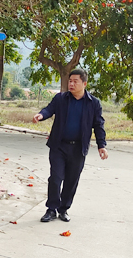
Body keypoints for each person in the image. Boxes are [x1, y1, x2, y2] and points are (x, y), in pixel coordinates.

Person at [32, 68, 108, 223]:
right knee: (55, 178)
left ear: (84, 83)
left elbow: (98, 125)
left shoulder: (93, 103)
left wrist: (102, 145)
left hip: (78, 148)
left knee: (72, 180)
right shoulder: (60, 98)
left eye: (75, 81)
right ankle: (51, 209)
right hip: (59, 146)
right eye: (70, 81)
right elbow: (49, 109)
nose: (71, 84)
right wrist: (41, 115)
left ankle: (64, 209)